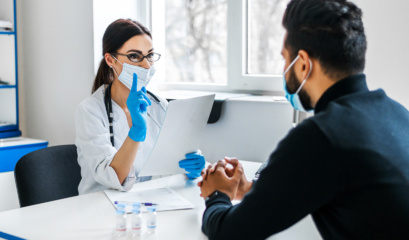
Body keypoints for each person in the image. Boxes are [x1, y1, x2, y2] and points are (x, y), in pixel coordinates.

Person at [199, 0, 409, 239]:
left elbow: (230, 233)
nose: (284, 68)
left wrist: (216, 195)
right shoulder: (397, 114)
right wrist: (249, 191)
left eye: (284, 59)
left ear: (302, 64)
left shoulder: (322, 136)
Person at [75, 19, 205, 195]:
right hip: (99, 204)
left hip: (149, 200)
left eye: (150, 55)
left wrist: (191, 166)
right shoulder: (90, 111)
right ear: (110, 60)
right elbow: (114, 177)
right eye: (134, 56)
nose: (146, 65)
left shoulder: (160, 105)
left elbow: (171, 161)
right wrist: (136, 131)